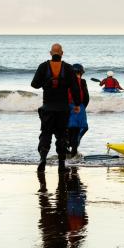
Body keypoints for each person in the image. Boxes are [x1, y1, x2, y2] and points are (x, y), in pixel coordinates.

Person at [31, 43, 81, 173]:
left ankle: (42, 159)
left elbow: (34, 84)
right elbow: (75, 88)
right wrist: (77, 104)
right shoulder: (68, 68)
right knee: (62, 136)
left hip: (47, 108)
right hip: (63, 109)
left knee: (46, 134)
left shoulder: (43, 66)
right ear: (62, 53)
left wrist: (46, 82)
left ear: (50, 53)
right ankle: (61, 164)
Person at [67, 63, 90, 157]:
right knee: (81, 128)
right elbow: (86, 97)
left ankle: (67, 145)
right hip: (79, 107)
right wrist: (83, 107)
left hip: (66, 107)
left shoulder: (66, 81)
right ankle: (74, 150)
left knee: (69, 128)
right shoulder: (82, 81)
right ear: (81, 72)